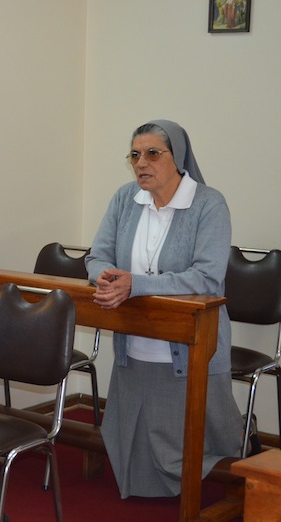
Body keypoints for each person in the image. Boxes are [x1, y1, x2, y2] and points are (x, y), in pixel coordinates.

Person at [85, 120, 242, 499]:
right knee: (135, 430)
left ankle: (216, 487)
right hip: (135, 340)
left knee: (193, 442)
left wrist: (135, 285)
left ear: (178, 157)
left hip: (191, 344)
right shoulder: (125, 199)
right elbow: (97, 255)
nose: (142, 163)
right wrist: (103, 277)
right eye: (135, 155)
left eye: (153, 153)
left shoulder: (209, 204)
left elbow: (206, 277)